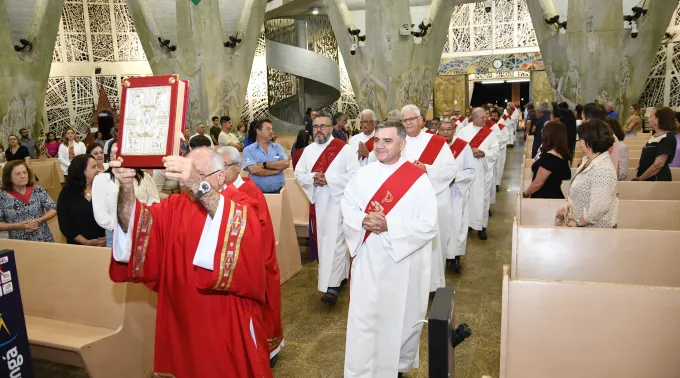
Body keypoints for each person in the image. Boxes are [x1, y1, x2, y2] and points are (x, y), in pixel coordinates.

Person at [108, 146, 273, 378]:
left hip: (225, 319)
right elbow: (132, 226)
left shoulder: (242, 203)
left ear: (220, 175)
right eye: (185, 177)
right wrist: (126, 186)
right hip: (180, 319)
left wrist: (197, 182)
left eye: (198, 175)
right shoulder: (174, 206)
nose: (189, 183)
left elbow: (245, 238)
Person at [341, 121, 437, 378]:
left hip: (402, 263)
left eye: (388, 141)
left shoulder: (417, 179)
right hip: (369, 259)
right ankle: (362, 369)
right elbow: (347, 206)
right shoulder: (363, 174)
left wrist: (389, 225)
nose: (380, 146)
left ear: (402, 145)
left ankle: (395, 368)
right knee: (365, 318)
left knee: (398, 317)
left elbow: (429, 224)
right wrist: (362, 219)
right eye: (378, 140)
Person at [218, 145, 283, 366]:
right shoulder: (218, 192)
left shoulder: (249, 191)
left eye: (224, 166)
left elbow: (260, 233)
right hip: (229, 264)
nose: (220, 171)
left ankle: (268, 351)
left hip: (253, 262)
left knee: (259, 312)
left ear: (237, 167)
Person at [387, 104, 455, 292]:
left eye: (412, 119)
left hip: (434, 200)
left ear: (421, 120)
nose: (408, 123)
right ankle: (411, 283)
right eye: (404, 120)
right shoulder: (397, 142)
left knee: (434, 244)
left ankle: (433, 285)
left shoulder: (437, 142)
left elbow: (451, 170)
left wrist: (427, 169)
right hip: (405, 203)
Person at [294, 113, 359, 304]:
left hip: (338, 202)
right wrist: (313, 178)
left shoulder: (344, 150)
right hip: (319, 203)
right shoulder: (308, 151)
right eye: (315, 127)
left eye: (323, 126)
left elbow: (354, 175)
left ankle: (332, 286)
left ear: (331, 128)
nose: (319, 130)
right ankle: (341, 277)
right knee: (326, 243)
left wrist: (328, 179)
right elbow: (299, 174)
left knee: (337, 242)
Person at [557, 120, 618, 228]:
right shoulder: (588, 161)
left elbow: (598, 208)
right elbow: (581, 191)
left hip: (595, 233)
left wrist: (578, 223)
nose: (578, 142)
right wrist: (568, 204)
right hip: (584, 230)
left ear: (589, 142)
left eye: (580, 138)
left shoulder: (603, 169)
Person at [93, 159, 159, 248]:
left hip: (142, 232)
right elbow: (100, 213)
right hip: (114, 233)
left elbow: (154, 203)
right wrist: (122, 227)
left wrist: (140, 225)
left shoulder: (145, 177)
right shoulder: (102, 178)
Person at [437, 119, 475, 272]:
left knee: (457, 225)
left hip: (456, 193)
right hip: (438, 193)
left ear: (454, 130)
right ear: (438, 130)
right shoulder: (434, 147)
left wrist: (454, 178)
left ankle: (455, 257)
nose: (446, 132)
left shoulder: (463, 147)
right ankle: (441, 256)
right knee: (441, 225)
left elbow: (471, 171)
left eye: (449, 129)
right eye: (443, 129)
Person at [456, 107, 500, 240]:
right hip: (468, 172)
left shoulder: (490, 133)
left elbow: (495, 149)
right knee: (468, 199)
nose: (486, 119)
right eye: (483, 117)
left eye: (486, 117)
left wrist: (484, 153)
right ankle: (469, 224)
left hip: (483, 171)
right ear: (474, 117)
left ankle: (482, 227)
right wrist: (470, 153)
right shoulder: (463, 132)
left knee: (483, 200)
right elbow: (458, 150)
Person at [0, 160, 57, 242]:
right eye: (18, 174)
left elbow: (53, 209)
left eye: (24, 172)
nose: (23, 176)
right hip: (20, 243)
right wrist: (18, 226)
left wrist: (40, 220)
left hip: (44, 240)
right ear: (8, 177)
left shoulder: (37, 190)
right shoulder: (2, 197)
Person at [57, 154, 106, 245]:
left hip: (104, 245)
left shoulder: (103, 188)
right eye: (94, 167)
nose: (98, 170)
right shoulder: (67, 194)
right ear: (81, 170)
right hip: (79, 248)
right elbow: (65, 225)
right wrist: (86, 242)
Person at [523, 121, 572, 199]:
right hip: (555, 197)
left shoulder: (549, 158)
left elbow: (538, 183)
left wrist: (524, 194)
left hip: (544, 199)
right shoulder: (562, 155)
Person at [242, 119, 288, 194]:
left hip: (278, 192)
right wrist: (276, 170)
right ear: (258, 131)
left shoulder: (278, 147)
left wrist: (265, 164)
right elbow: (254, 170)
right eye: (267, 129)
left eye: (271, 129)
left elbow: (286, 163)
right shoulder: (248, 150)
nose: (271, 131)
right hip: (256, 194)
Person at [634, 107, 678, 181]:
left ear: (657, 120)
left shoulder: (667, 137)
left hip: (657, 179)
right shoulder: (655, 135)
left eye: (651, 116)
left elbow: (658, 164)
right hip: (647, 178)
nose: (648, 119)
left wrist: (641, 178)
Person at [490, 109, 508, 194]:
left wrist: (497, 147)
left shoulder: (502, 126)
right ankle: (491, 184)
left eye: (495, 116)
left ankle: (497, 184)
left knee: (499, 167)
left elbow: (504, 139)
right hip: (490, 151)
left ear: (499, 117)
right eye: (492, 116)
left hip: (500, 150)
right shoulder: (489, 126)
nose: (493, 117)